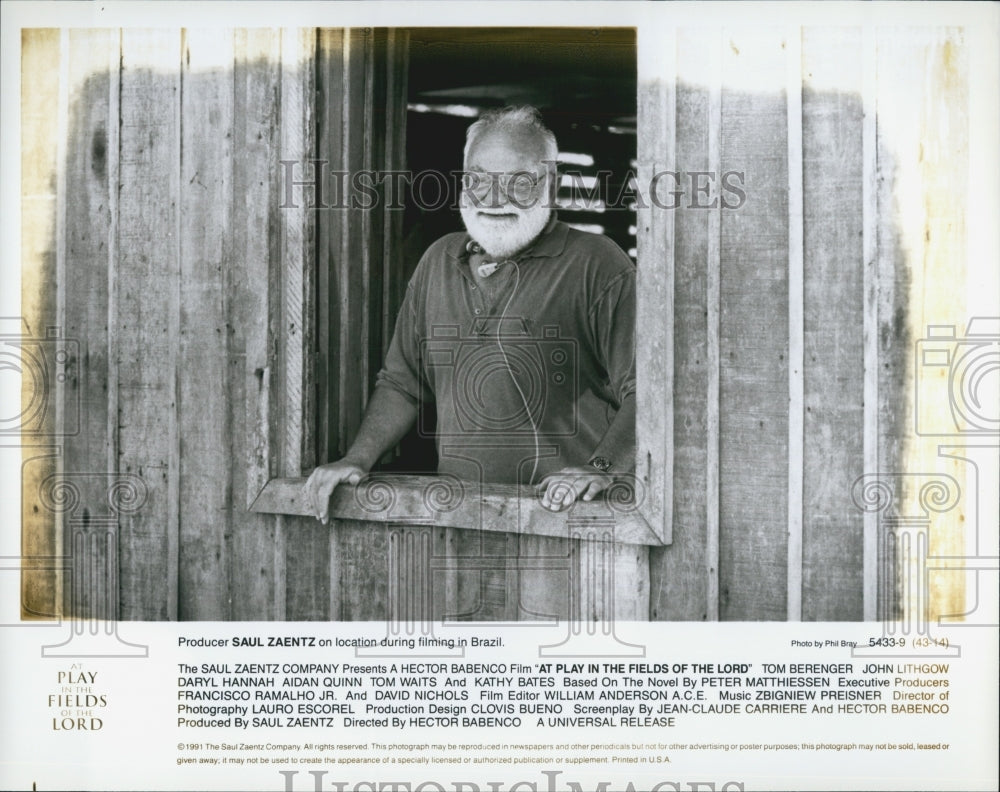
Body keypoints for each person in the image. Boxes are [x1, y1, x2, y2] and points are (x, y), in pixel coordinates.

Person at [306, 106, 636, 524]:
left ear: (550, 184)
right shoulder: (438, 260)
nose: (494, 199)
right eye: (479, 180)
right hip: (462, 518)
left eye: (518, 181)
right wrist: (357, 458)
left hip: (566, 522)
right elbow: (404, 384)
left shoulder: (598, 264)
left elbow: (647, 391)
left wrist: (601, 469)